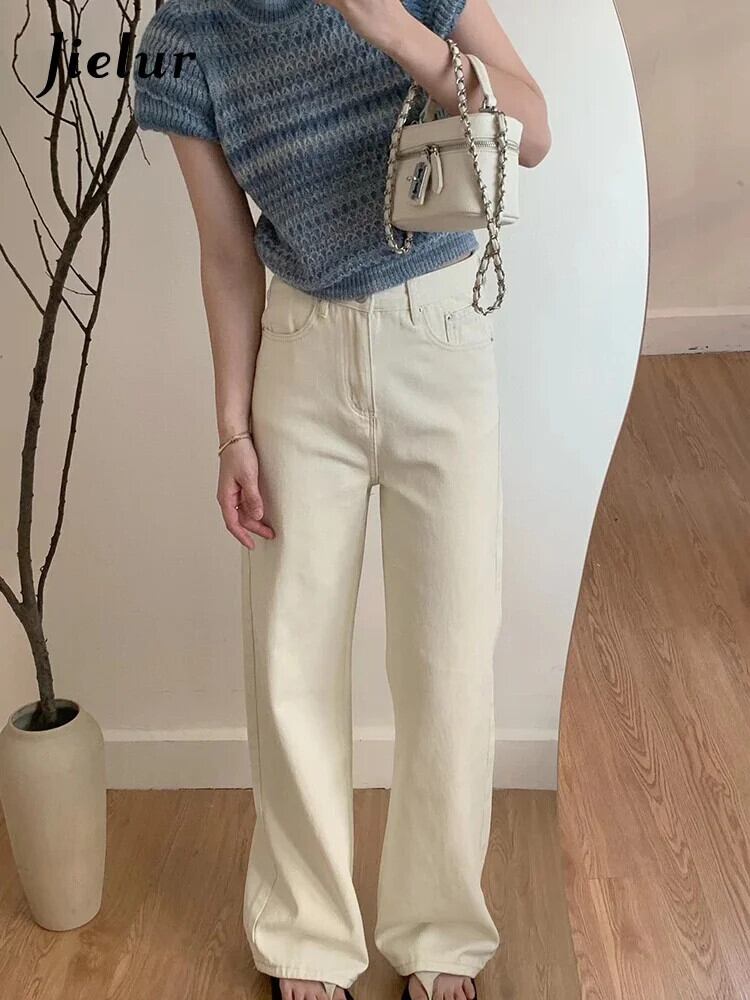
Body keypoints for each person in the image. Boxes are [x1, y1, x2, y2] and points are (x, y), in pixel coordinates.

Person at [132, 1, 550, 998]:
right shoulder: (184, 39)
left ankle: (440, 931)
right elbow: (227, 252)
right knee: (293, 662)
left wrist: (397, 31)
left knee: (449, 657)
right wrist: (232, 429)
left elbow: (533, 129)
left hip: (441, 339)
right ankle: (307, 936)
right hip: (300, 357)